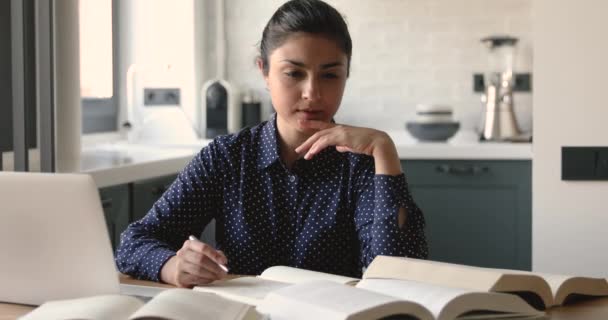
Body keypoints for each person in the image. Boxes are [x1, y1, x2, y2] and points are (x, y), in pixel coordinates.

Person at [116, 0, 428, 288]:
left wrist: (383, 148)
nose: (312, 93)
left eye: (330, 76)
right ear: (264, 71)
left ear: (346, 75)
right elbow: (134, 243)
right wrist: (171, 266)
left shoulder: (360, 163)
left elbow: (397, 275)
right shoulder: (227, 158)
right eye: (294, 73)